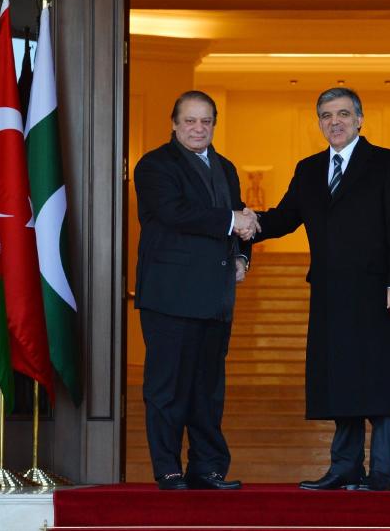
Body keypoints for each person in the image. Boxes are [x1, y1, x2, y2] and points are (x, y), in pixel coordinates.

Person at [254, 87, 390, 492]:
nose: (335, 122)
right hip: (329, 294)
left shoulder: (387, 163)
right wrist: (240, 223)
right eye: (326, 116)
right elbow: (283, 218)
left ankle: (380, 474)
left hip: (379, 292)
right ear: (319, 123)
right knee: (340, 380)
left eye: (343, 114)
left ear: (360, 119)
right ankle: (344, 467)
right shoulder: (308, 169)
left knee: (381, 382)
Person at [133, 89, 255, 490]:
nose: (198, 128)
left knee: (208, 391)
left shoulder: (226, 166)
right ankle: (167, 470)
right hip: (170, 298)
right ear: (174, 124)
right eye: (190, 120)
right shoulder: (154, 165)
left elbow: (237, 220)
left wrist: (241, 257)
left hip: (215, 298)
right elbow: (175, 213)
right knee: (167, 390)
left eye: (206, 121)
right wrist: (232, 221)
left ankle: (207, 468)